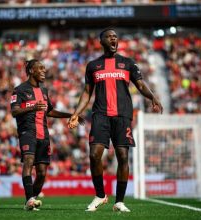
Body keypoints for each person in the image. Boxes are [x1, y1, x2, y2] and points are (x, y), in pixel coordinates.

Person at [68, 28, 163, 212]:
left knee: (122, 156)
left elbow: (140, 84)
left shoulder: (128, 63)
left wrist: (152, 97)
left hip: (122, 115)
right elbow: (87, 92)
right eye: (109, 37)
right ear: (101, 41)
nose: (113, 39)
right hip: (100, 115)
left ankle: (119, 201)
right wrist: (76, 112)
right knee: (94, 154)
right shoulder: (93, 65)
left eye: (115, 37)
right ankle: (100, 195)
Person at [10, 59, 84, 211]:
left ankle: (31, 200)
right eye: (40, 68)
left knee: (42, 173)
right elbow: (14, 111)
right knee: (28, 163)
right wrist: (32, 106)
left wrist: (71, 114)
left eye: (44, 69)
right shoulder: (19, 90)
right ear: (31, 71)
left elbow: (49, 111)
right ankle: (30, 199)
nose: (44, 71)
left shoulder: (43, 91)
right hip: (27, 132)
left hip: (43, 135)